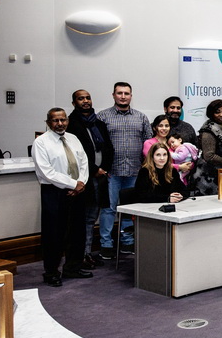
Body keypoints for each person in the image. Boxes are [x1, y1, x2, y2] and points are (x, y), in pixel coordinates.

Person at [32, 108, 92, 286]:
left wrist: (80, 183)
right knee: (54, 234)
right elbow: (46, 171)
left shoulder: (73, 138)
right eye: (55, 120)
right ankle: (51, 272)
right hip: (54, 191)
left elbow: (83, 162)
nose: (60, 124)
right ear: (48, 122)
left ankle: (73, 267)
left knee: (77, 232)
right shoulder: (41, 142)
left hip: (78, 191)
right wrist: (73, 184)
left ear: (67, 121)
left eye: (63, 120)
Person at [97, 82, 151, 259]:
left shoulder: (141, 117)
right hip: (111, 172)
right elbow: (97, 145)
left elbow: (149, 144)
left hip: (135, 171)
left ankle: (127, 242)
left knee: (129, 208)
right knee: (109, 209)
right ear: (113, 95)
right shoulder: (102, 116)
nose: (123, 96)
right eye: (119, 93)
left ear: (131, 96)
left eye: (126, 93)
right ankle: (106, 244)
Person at [66, 90, 114, 270]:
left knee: (93, 216)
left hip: (100, 177)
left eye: (88, 98)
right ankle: (81, 255)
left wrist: (104, 169)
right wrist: (94, 170)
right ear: (74, 103)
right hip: (83, 178)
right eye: (81, 99)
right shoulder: (71, 124)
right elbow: (77, 154)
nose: (85, 101)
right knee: (83, 219)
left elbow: (109, 148)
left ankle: (87, 253)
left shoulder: (98, 123)